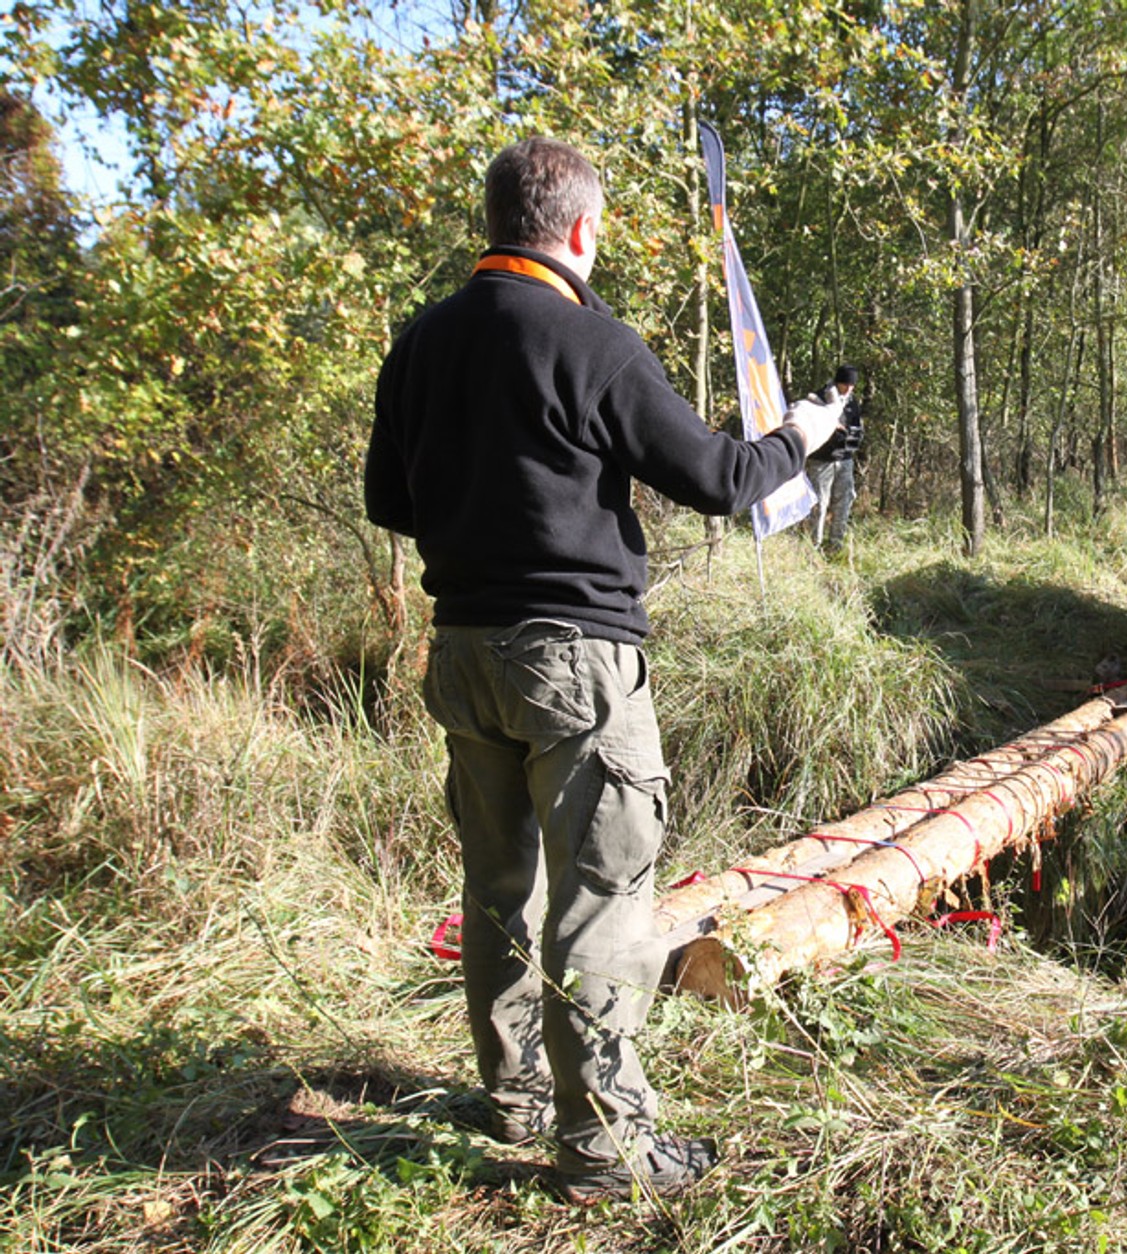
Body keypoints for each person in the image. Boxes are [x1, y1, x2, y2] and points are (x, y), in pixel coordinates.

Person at [364, 137, 844, 1202]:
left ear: (498, 220)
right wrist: (799, 434)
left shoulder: (421, 343)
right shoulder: (593, 343)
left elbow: (388, 505)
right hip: (575, 661)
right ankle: (606, 1148)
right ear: (580, 229)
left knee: (497, 886)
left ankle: (516, 1096)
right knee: (602, 897)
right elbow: (721, 479)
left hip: (463, 653)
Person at [807, 364, 863, 548]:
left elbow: (856, 424)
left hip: (844, 459)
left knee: (844, 501)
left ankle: (836, 545)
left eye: (852, 385)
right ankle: (813, 546)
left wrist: (855, 434)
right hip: (822, 460)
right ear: (837, 382)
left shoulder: (852, 402)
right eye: (845, 384)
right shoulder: (819, 399)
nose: (848, 388)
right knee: (819, 504)